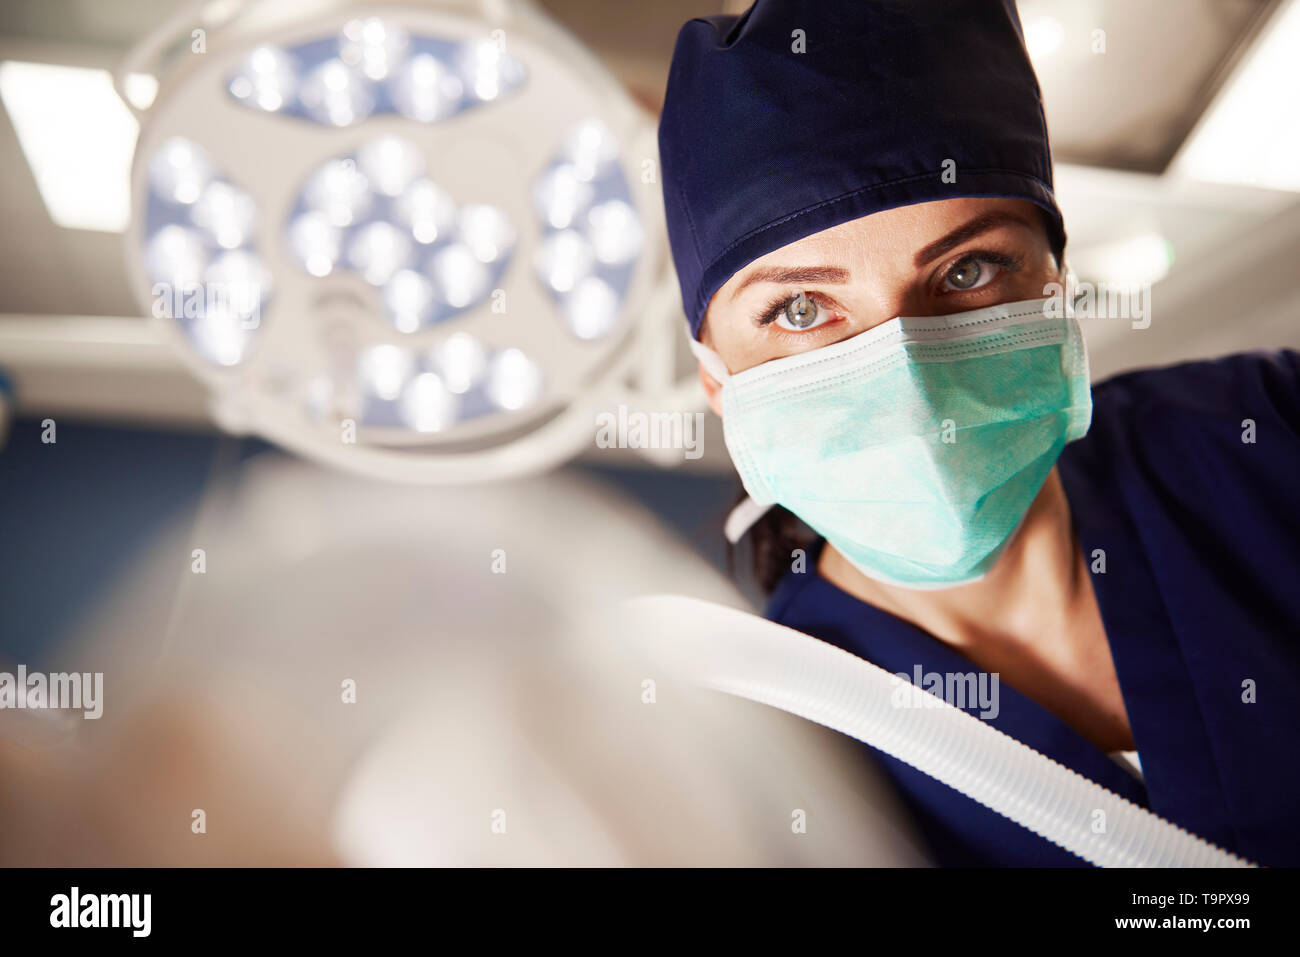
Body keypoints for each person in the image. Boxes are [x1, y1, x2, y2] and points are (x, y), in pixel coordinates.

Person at [657, 0, 1300, 866]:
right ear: (717, 381)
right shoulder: (781, 767)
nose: (913, 382)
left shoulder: (1263, 437)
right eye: (802, 308)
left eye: (968, 270)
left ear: (1057, 287)